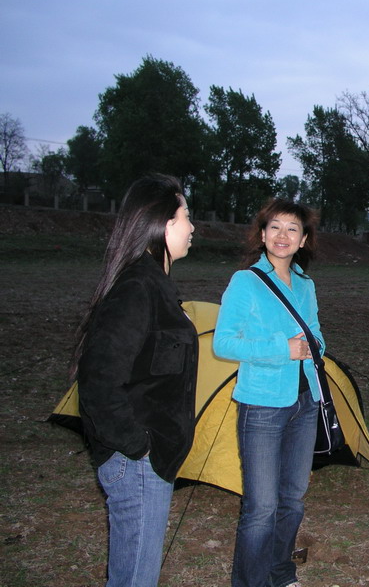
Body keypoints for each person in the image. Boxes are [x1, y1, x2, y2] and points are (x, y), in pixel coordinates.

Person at [71, 174, 198, 587]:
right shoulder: (137, 287)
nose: (193, 227)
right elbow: (97, 380)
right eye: (185, 216)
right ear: (162, 223)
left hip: (147, 461)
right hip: (137, 463)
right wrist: (138, 446)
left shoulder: (155, 284)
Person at [213, 199, 323, 587]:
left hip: (306, 401)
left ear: (303, 239)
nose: (282, 235)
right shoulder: (246, 281)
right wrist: (282, 349)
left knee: (292, 499)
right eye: (274, 227)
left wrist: (314, 347)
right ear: (262, 235)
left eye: (292, 229)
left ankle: (280, 572)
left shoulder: (306, 285)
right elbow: (224, 343)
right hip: (262, 405)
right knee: (261, 507)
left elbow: (316, 333)